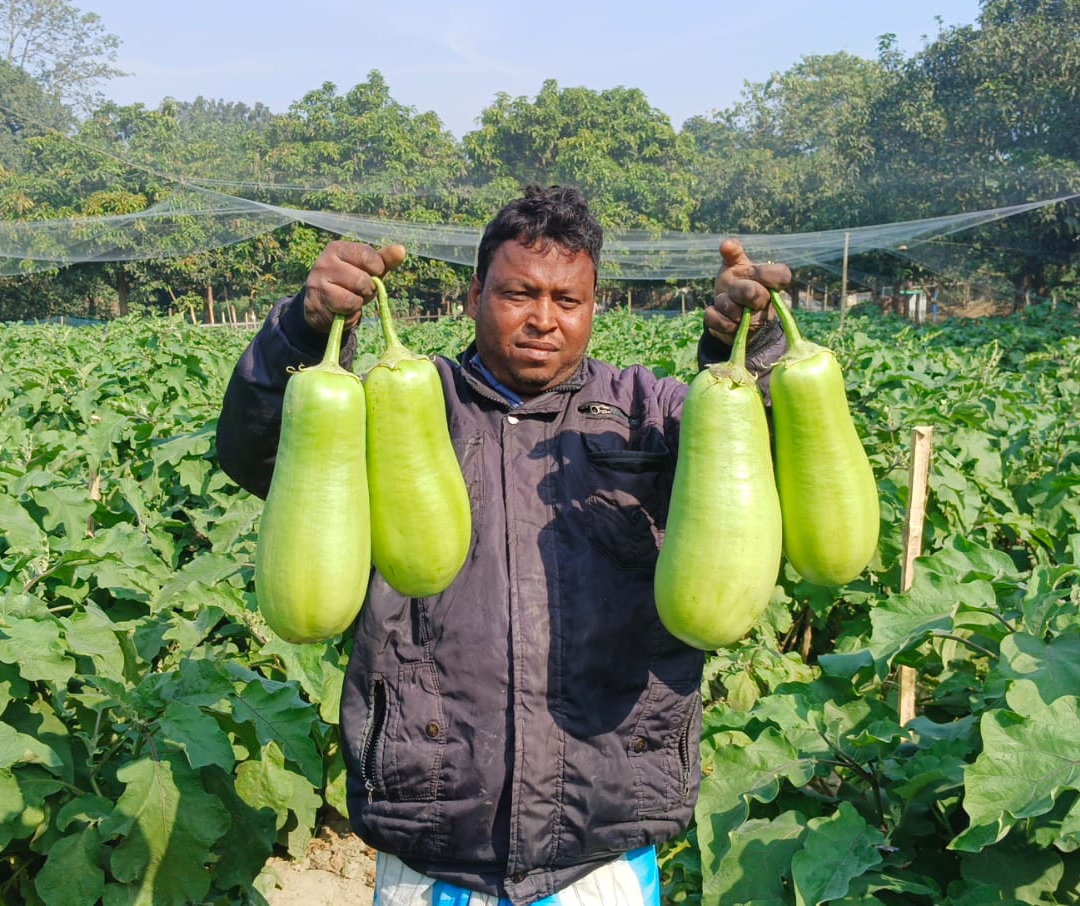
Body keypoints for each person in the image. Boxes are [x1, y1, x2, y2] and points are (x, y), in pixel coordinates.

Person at [217, 185, 790, 905]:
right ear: (473, 295)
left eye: (567, 300)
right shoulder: (390, 404)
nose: (543, 320)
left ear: (592, 307)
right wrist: (302, 335)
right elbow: (256, 454)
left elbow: (767, 474)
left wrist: (744, 352)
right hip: (432, 833)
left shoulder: (653, 413)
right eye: (519, 293)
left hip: (599, 844)